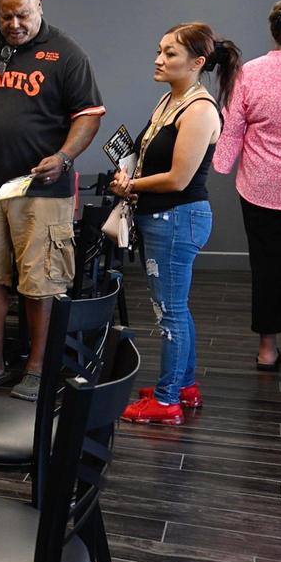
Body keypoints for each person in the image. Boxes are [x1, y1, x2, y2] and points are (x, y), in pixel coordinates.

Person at [0, 0, 105, 401]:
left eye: (22, 14)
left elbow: (88, 115)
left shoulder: (66, 53)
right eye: (5, 15)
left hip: (39, 188)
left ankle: (37, 369)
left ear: (39, 7)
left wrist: (65, 157)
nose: (14, 23)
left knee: (42, 281)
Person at [113, 23, 240, 425]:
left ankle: (166, 401)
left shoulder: (199, 109)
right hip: (164, 217)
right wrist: (130, 179)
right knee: (175, 310)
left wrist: (130, 184)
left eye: (169, 53)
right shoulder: (170, 101)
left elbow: (178, 178)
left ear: (197, 63)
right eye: (159, 50)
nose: (158, 59)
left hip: (178, 218)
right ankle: (183, 386)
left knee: (169, 313)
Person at [213, 0, 281, 381]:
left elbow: (230, 129)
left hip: (261, 187)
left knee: (267, 268)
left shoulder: (248, 73)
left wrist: (219, 165)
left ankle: (267, 351)